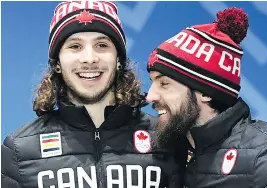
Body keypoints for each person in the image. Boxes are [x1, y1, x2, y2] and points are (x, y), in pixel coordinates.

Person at [1, 1, 187, 188]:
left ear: (118, 60)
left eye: (101, 45)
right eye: (75, 46)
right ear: (57, 63)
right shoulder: (19, 150)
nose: (89, 59)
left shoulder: (166, 140)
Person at [146, 7, 267, 188]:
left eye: (164, 84)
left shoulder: (265, 156)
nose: (150, 96)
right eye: (152, 82)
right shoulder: (171, 149)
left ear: (206, 92)